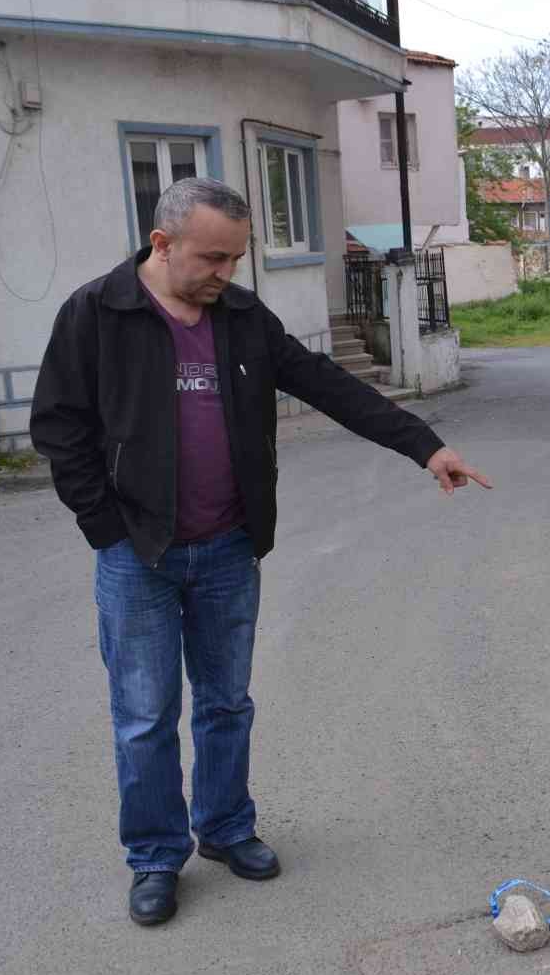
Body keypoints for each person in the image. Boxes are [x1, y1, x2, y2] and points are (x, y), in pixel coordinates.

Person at [31, 177, 489, 926]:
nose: (225, 274)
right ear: (162, 243)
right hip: (136, 554)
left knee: (226, 704)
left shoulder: (241, 316)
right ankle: (154, 858)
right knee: (144, 715)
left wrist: (425, 447)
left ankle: (226, 828)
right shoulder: (97, 312)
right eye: (212, 258)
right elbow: (59, 426)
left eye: (236, 260)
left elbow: (327, 383)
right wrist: (105, 527)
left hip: (226, 548)